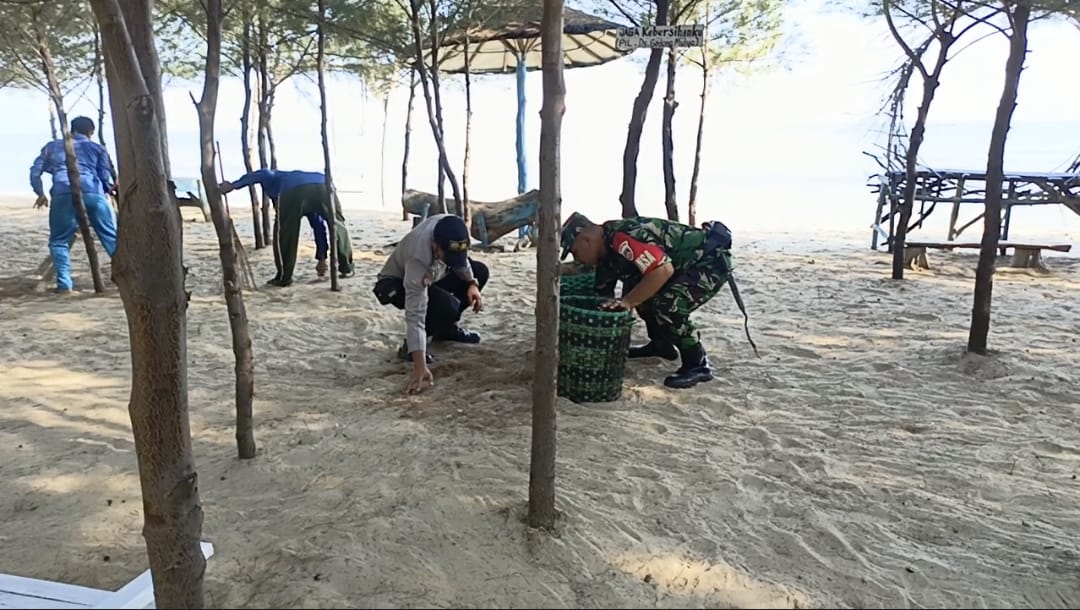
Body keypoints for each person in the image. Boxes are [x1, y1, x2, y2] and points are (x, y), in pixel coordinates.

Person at [559, 212, 739, 389]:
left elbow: (662, 270)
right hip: (679, 268)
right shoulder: (606, 253)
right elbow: (601, 295)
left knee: (669, 306)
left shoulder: (623, 238)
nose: (577, 259)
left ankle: (697, 363)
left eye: (575, 252)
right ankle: (661, 345)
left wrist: (628, 301)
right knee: (641, 296)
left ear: (586, 240)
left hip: (708, 263)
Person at [373, 214, 489, 394]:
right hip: (396, 282)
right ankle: (410, 349)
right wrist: (420, 367)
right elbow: (415, 315)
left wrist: (472, 284)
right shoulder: (417, 258)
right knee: (446, 306)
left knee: (480, 271)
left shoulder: (450, 226)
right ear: (435, 245)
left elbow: (462, 262)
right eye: (448, 255)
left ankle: (445, 330)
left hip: (435, 270)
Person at [219, 169, 354, 286]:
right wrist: (321, 259)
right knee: (337, 226)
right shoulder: (295, 177)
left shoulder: (276, 176)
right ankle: (347, 268)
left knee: (286, 233)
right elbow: (319, 228)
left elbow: (263, 173)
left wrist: (234, 185)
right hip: (323, 184)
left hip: (292, 190)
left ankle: (285, 277)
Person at [29, 116, 118, 294]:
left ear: (71, 129)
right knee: (111, 237)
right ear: (91, 132)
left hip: (63, 194)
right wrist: (109, 189)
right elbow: (104, 176)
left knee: (59, 240)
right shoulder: (98, 149)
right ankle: (125, 279)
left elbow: (35, 172)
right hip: (93, 193)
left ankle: (64, 285)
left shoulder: (51, 147)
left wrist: (40, 193)